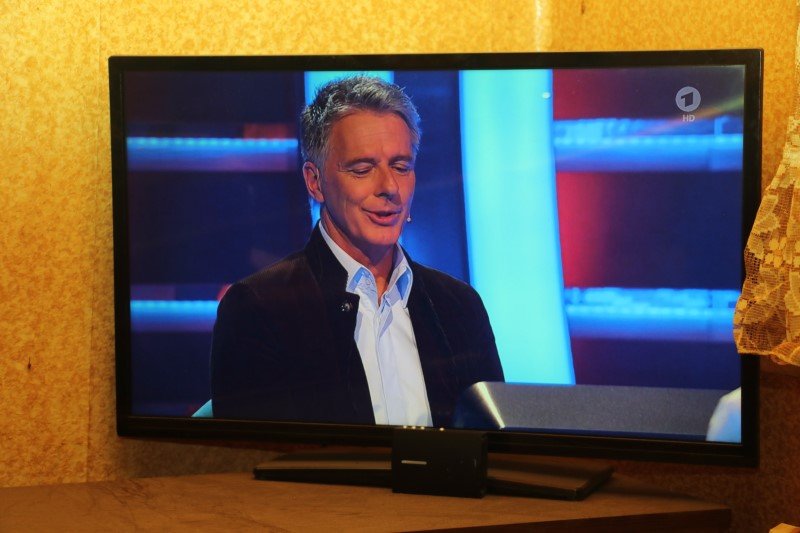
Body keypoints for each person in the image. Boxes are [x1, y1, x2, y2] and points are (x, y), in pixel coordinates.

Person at [210, 76, 504, 427]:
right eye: (363, 169)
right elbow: (252, 453)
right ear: (315, 182)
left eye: (401, 167)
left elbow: (494, 445)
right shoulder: (260, 307)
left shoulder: (459, 307)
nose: (389, 187)